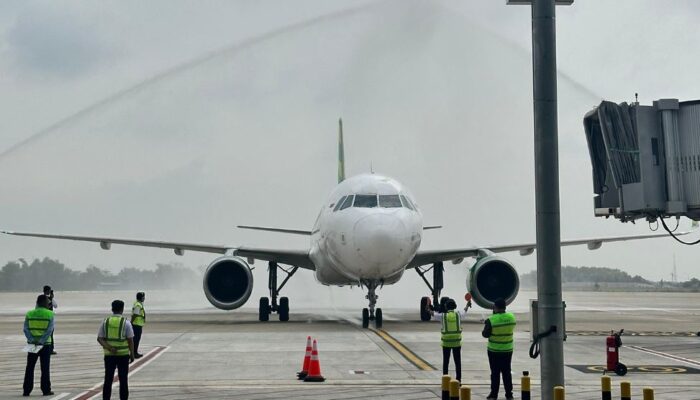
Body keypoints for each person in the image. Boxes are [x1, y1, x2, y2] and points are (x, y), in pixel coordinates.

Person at [427, 297, 471, 382]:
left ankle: (445, 381)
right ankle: (458, 380)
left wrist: (428, 308)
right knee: (457, 363)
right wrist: (467, 304)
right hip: (456, 343)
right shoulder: (458, 315)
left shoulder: (443, 316)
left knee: (446, 362)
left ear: (446, 307)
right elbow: (464, 311)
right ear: (455, 306)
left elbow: (432, 313)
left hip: (446, 343)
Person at [98, 300, 135, 400]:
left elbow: (100, 339)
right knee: (123, 380)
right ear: (122, 309)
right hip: (123, 356)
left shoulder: (105, 322)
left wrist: (109, 347)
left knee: (108, 379)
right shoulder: (126, 323)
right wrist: (132, 354)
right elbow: (130, 340)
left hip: (109, 356)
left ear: (112, 309)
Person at [482, 298, 516, 400]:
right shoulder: (511, 317)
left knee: (495, 373)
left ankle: (494, 394)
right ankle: (509, 394)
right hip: (507, 350)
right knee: (507, 372)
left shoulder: (491, 320)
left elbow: (485, 334)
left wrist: (492, 318)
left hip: (494, 351)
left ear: (495, 307)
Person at [23, 294, 55, 396]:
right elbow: (50, 330)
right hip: (45, 344)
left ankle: (26, 390)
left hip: (32, 344)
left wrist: (32, 339)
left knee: (30, 367)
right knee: (45, 368)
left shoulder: (29, 313)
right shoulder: (50, 314)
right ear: (45, 303)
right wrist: (41, 340)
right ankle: (46, 390)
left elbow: (25, 329)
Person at [43, 285, 58, 355]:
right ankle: (50, 349)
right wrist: (51, 299)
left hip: (46, 319)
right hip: (47, 319)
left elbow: (55, 306)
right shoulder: (46, 298)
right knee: (49, 335)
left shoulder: (42, 298)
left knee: (47, 335)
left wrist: (52, 298)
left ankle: (48, 349)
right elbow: (56, 306)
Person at [130, 292, 146, 358]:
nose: (144, 298)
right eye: (144, 297)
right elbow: (135, 314)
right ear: (141, 297)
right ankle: (134, 353)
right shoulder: (138, 305)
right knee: (136, 339)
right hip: (136, 324)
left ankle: (134, 352)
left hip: (138, 324)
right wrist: (131, 322)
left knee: (136, 339)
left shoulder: (139, 304)